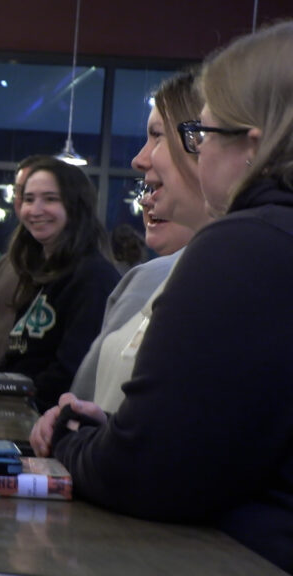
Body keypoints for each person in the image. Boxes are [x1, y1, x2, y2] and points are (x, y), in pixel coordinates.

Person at [39, 22, 293, 573]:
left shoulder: (248, 246)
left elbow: (149, 472)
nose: (197, 158)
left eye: (201, 137)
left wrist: (67, 439)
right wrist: (114, 433)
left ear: (253, 145)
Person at [67, 70, 212, 411]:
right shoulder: (144, 279)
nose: (138, 159)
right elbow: (86, 404)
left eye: (157, 136)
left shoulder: (243, 278)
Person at [0, 158, 120, 412]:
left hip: (51, 425)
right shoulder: (38, 274)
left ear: (76, 207)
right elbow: (20, 359)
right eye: (29, 199)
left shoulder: (93, 276)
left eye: (51, 199)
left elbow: (72, 371)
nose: (36, 209)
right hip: (16, 420)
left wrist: (15, 407)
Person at [0, 155, 53, 371]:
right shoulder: (5, 264)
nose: (26, 201)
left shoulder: (71, 269)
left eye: (43, 196)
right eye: (21, 192)